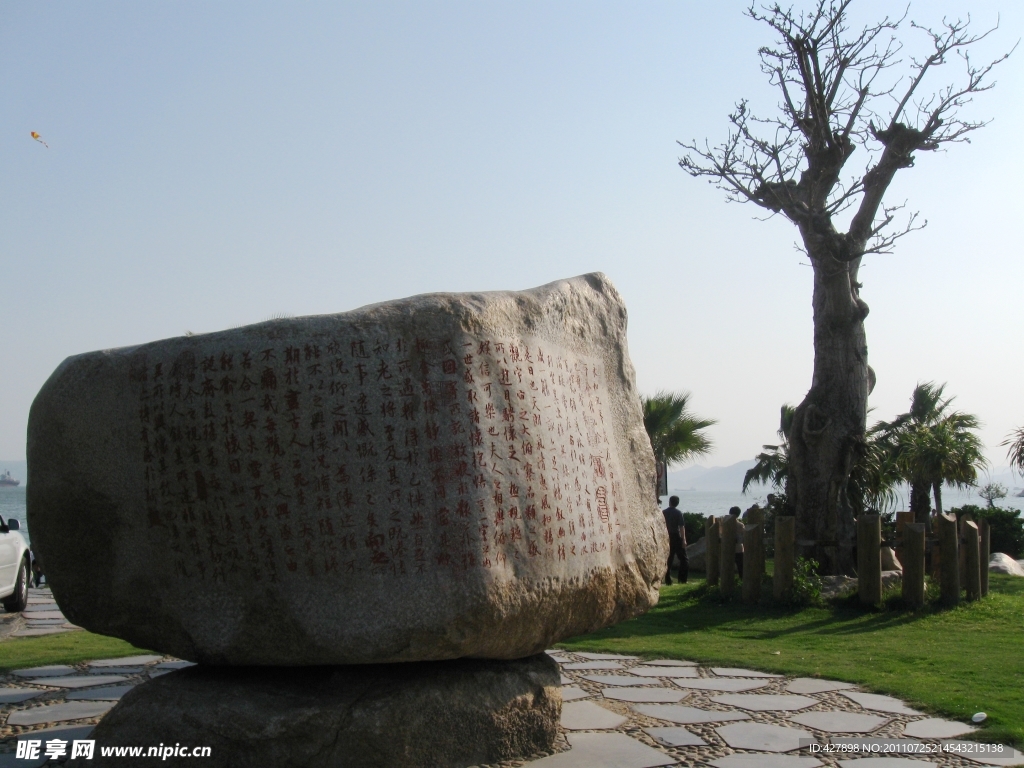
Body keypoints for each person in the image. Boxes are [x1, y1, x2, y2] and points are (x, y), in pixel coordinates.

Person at [662, 496, 688, 584]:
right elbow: (681, 527)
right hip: (676, 536)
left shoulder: (664, 512)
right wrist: (683, 539)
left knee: (669, 558)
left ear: (669, 502)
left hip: (666, 536)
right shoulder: (678, 513)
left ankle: (667, 579)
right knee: (683, 559)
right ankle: (682, 579)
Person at [728, 506, 743, 578]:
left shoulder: (725, 524)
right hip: (738, 548)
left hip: (727, 548)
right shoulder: (740, 525)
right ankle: (742, 578)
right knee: (740, 566)